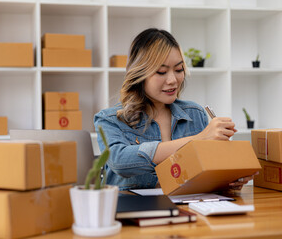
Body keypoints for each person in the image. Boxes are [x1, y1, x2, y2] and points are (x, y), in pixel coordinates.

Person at [94, 28, 254, 191]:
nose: (173, 80)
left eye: (179, 70)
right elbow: (120, 161)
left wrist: (230, 176)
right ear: (139, 74)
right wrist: (199, 139)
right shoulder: (109, 119)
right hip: (133, 211)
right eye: (162, 72)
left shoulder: (195, 114)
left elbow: (208, 171)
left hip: (191, 209)